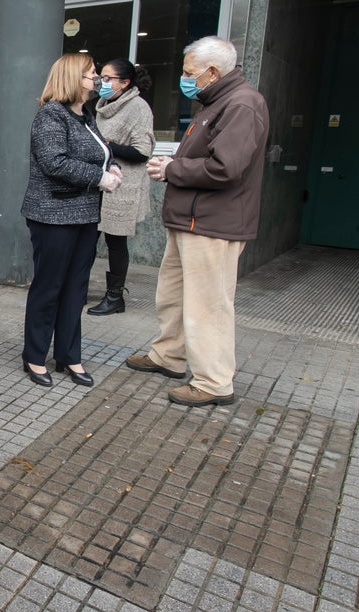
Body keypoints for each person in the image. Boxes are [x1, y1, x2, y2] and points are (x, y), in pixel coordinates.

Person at [126, 36, 269, 407]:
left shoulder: (242, 104)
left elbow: (227, 168)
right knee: (172, 293)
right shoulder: (214, 102)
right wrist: (173, 169)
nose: (184, 79)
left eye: (190, 72)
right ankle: (169, 356)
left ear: (211, 71)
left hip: (212, 223)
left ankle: (214, 382)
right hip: (190, 220)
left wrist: (175, 167)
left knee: (209, 305)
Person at [20, 53, 122, 389]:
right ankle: (35, 357)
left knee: (76, 290)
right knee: (49, 288)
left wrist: (111, 167)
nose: (98, 80)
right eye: (93, 74)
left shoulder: (85, 115)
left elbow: (97, 152)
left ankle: (68, 355)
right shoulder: (51, 115)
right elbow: (55, 163)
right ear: (72, 78)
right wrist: (99, 178)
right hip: (53, 217)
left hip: (84, 217)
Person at [87, 59, 155, 315]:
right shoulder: (102, 104)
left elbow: (142, 152)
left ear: (125, 83)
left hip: (122, 187)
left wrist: (107, 145)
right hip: (98, 184)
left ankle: (115, 297)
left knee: (116, 243)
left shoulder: (138, 108)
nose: (100, 83)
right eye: (100, 77)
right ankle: (78, 288)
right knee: (87, 240)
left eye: (107, 78)